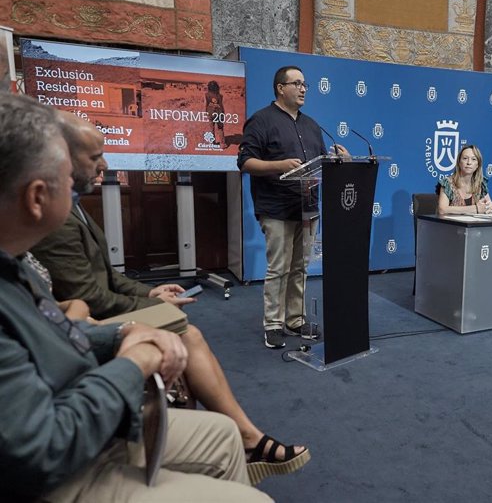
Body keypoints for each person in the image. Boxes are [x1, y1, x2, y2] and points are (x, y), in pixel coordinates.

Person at [0, 92, 272, 502]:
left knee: (222, 435)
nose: (89, 174)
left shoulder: (14, 261)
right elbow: (43, 451)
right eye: (67, 172)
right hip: (58, 472)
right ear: (37, 197)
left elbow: (56, 332)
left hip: (80, 421)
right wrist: (133, 362)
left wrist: (121, 335)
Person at [238, 65, 347, 349]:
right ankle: (273, 324)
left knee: (300, 267)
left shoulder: (311, 124)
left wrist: (338, 159)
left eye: (304, 84)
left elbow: (319, 163)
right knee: (279, 268)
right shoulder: (261, 121)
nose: (302, 89)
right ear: (280, 87)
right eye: (296, 83)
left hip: (308, 206)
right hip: (276, 207)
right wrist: (279, 165)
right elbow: (245, 162)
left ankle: (295, 319)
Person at [437, 144, 492, 215]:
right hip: (450, 225)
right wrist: (476, 208)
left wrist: (489, 208)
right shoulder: (448, 183)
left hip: (473, 225)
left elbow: (488, 207)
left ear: (478, 165)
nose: (469, 163)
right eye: (465, 158)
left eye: (473, 159)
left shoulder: (480, 184)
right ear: (459, 162)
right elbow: (442, 210)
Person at [206, 80, 226, 146]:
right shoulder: (220, 96)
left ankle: (212, 142)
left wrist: (206, 112)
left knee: (211, 128)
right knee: (220, 128)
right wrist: (223, 113)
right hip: (219, 113)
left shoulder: (207, 95)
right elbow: (221, 105)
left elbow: (206, 104)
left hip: (210, 113)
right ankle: (222, 144)